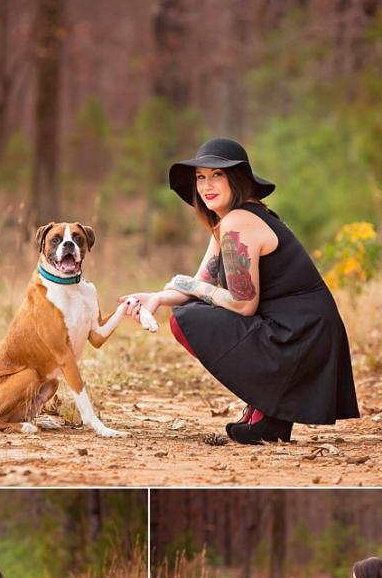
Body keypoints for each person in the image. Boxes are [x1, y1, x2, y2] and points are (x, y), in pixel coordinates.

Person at [120, 137, 359, 444]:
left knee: (186, 320)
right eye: (200, 177)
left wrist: (191, 289)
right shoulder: (229, 222)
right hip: (302, 332)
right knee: (187, 312)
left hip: (301, 336)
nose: (207, 185)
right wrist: (155, 298)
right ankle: (269, 412)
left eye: (217, 175)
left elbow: (243, 304)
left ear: (238, 179)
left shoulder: (238, 222)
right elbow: (200, 282)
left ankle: (268, 409)